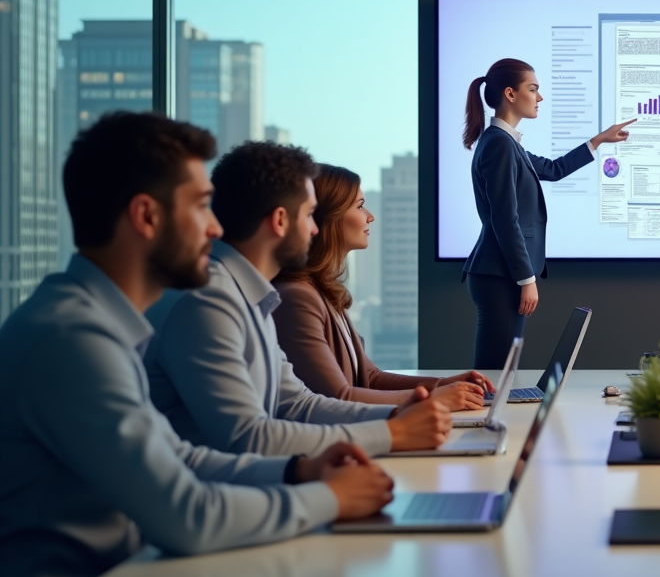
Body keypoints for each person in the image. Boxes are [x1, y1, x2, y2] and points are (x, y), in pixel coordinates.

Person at [0, 113, 391, 577]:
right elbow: (188, 515)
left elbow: (177, 458)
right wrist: (329, 497)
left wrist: (300, 471)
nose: (215, 227)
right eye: (201, 206)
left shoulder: (102, 325)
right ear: (146, 217)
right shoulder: (73, 340)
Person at [145, 142, 453, 456]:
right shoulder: (209, 300)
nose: (316, 228)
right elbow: (246, 437)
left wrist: (398, 416)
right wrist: (393, 432)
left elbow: (298, 405)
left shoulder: (252, 296)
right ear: (280, 221)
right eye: (309, 214)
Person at [461, 58, 634, 368]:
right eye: (534, 89)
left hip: (500, 273)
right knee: (494, 375)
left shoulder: (506, 143)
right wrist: (526, 278)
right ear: (511, 94)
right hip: (500, 274)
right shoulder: (500, 144)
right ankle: (485, 418)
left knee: (500, 372)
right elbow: (504, 218)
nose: (540, 97)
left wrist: (599, 140)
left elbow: (554, 170)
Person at [273, 163, 494, 407]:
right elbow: (339, 397)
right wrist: (435, 397)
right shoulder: (298, 297)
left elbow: (370, 377)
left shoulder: (323, 290)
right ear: (328, 218)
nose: (370, 215)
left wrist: (446, 385)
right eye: (359, 206)